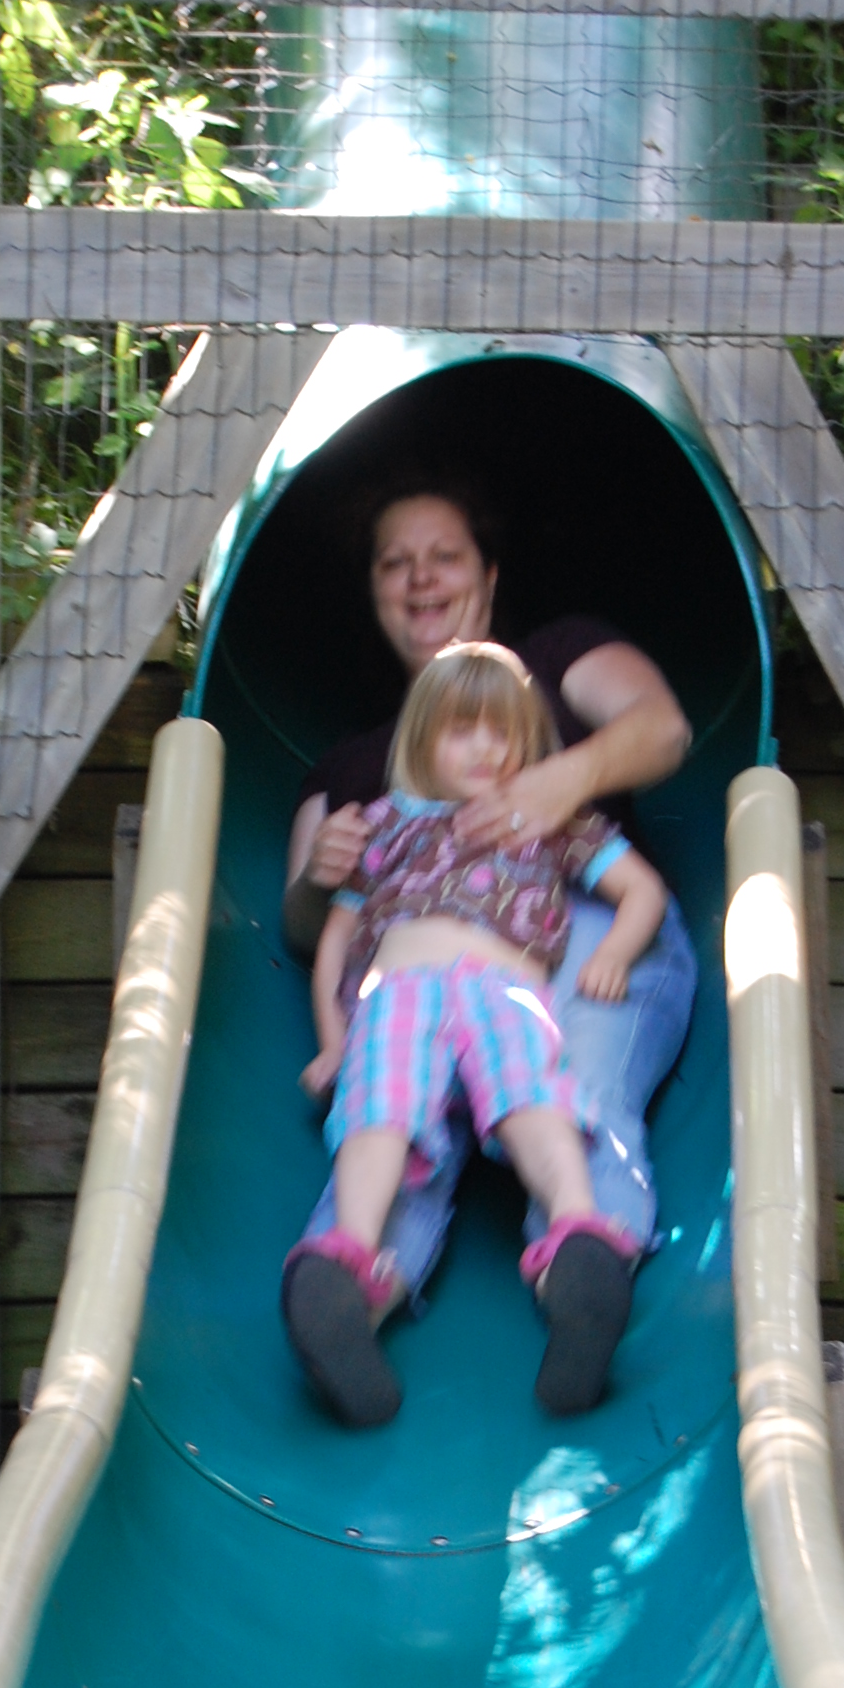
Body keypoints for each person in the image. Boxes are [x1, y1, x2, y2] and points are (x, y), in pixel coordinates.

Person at [284, 482, 697, 1301]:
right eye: (395, 563)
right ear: (374, 590)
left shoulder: (552, 662)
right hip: (415, 969)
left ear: (489, 575)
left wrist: (560, 781)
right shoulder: (354, 768)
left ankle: (583, 1271)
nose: (421, 578)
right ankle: (345, 1293)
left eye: (445, 556)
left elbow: (665, 730)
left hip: (580, 919)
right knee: (387, 1113)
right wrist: (319, 877)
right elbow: (305, 925)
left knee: (577, 1090)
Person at [286, 643, 667, 1429]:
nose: (486, 749)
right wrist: (332, 1041)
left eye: (503, 733)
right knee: (379, 1110)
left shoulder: (549, 819)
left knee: (534, 1097)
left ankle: (578, 1233)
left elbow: (641, 890)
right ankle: (349, 1258)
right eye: (463, 730)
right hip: (398, 992)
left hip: (503, 988)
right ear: (424, 735)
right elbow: (335, 940)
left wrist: (613, 954)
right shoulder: (384, 822)